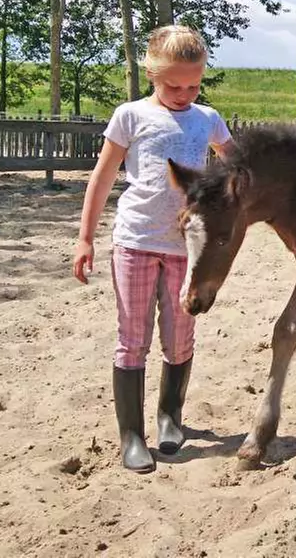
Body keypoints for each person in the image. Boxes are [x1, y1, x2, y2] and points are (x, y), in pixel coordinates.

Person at [72, 25, 233, 473]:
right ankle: (131, 436)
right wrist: (85, 237)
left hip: (186, 250)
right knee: (132, 338)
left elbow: (240, 166)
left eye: (193, 85)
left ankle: (169, 416)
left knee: (181, 336)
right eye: (172, 85)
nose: (183, 93)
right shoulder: (130, 116)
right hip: (136, 241)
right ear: (150, 75)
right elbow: (103, 177)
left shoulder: (208, 119)